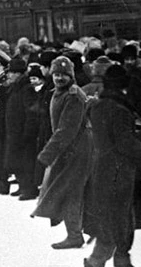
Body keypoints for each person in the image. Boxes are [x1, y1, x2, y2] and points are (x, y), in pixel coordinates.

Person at [82, 65, 141, 267]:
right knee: (121, 217)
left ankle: (102, 260)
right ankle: (112, 260)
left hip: (101, 167)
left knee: (107, 216)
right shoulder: (120, 110)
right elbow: (126, 144)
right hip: (120, 170)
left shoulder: (97, 106)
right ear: (123, 86)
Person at [32, 56, 93, 250]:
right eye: (56, 74)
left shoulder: (73, 96)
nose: (59, 78)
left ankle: (75, 235)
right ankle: (76, 233)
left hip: (77, 149)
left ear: (71, 76)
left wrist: (47, 154)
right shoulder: (59, 93)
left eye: (63, 75)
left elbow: (67, 129)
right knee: (69, 191)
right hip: (69, 149)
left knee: (70, 192)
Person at [2, 57, 40, 200]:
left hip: (23, 134)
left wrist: (26, 133)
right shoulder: (16, 88)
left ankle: (29, 189)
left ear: (19, 74)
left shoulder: (26, 89)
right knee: (17, 161)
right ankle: (23, 186)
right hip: (15, 132)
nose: (8, 75)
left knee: (25, 162)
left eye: (11, 73)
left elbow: (31, 113)